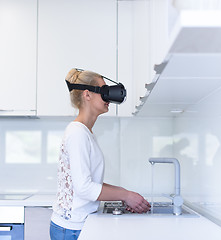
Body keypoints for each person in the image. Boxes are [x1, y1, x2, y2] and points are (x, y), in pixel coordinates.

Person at [50, 68, 150, 240]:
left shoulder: (85, 132)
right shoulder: (77, 133)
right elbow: (84, 188)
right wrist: (125, 195)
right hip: (71, 229)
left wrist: (125, 194)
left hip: (75, 226)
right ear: (87, 95)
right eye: (104, 91)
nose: (108, 98)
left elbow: (89, 182)